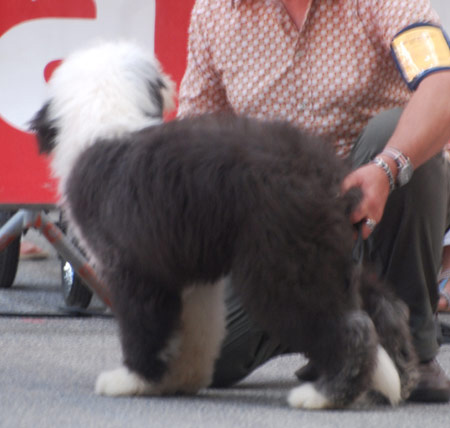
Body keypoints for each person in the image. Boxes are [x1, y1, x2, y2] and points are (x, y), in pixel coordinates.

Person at [178, 0, 450, 402]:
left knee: (396, 140)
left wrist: (387, 168)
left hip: (373, 197)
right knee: (197, 359)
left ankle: (411, 350)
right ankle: (334, 337)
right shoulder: (214, 13)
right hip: (277, 225)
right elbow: (192, 145)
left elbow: (442, 84)